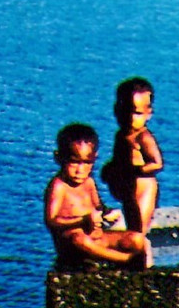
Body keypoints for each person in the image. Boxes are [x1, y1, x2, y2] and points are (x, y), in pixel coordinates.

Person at [44, 123, 148, 269]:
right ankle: (125, 259)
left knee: (136, 239)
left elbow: (98, 206)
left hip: (96, 237)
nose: (80, 170)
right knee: (79, 240)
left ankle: (111, 257)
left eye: (87, 163)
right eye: (74, 163)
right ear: (59, 158)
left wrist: (107, 213)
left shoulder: (89, 183)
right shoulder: (59, 185)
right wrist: (82, 220)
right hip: (74, 245)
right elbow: (52, 220)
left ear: (94, 158)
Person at [102, 77, 164, 234]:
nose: (130, 118)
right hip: (128, 188)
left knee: (139, 230)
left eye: (137, 113)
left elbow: (157, 163)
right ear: (116, 110)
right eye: (125, 112)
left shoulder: (143, 137)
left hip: (143, 186)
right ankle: (132, 254)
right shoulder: (121, 135)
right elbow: (119, 158)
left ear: (148, 113)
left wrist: (135, 170)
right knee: (131, 227)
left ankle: (142, 255)